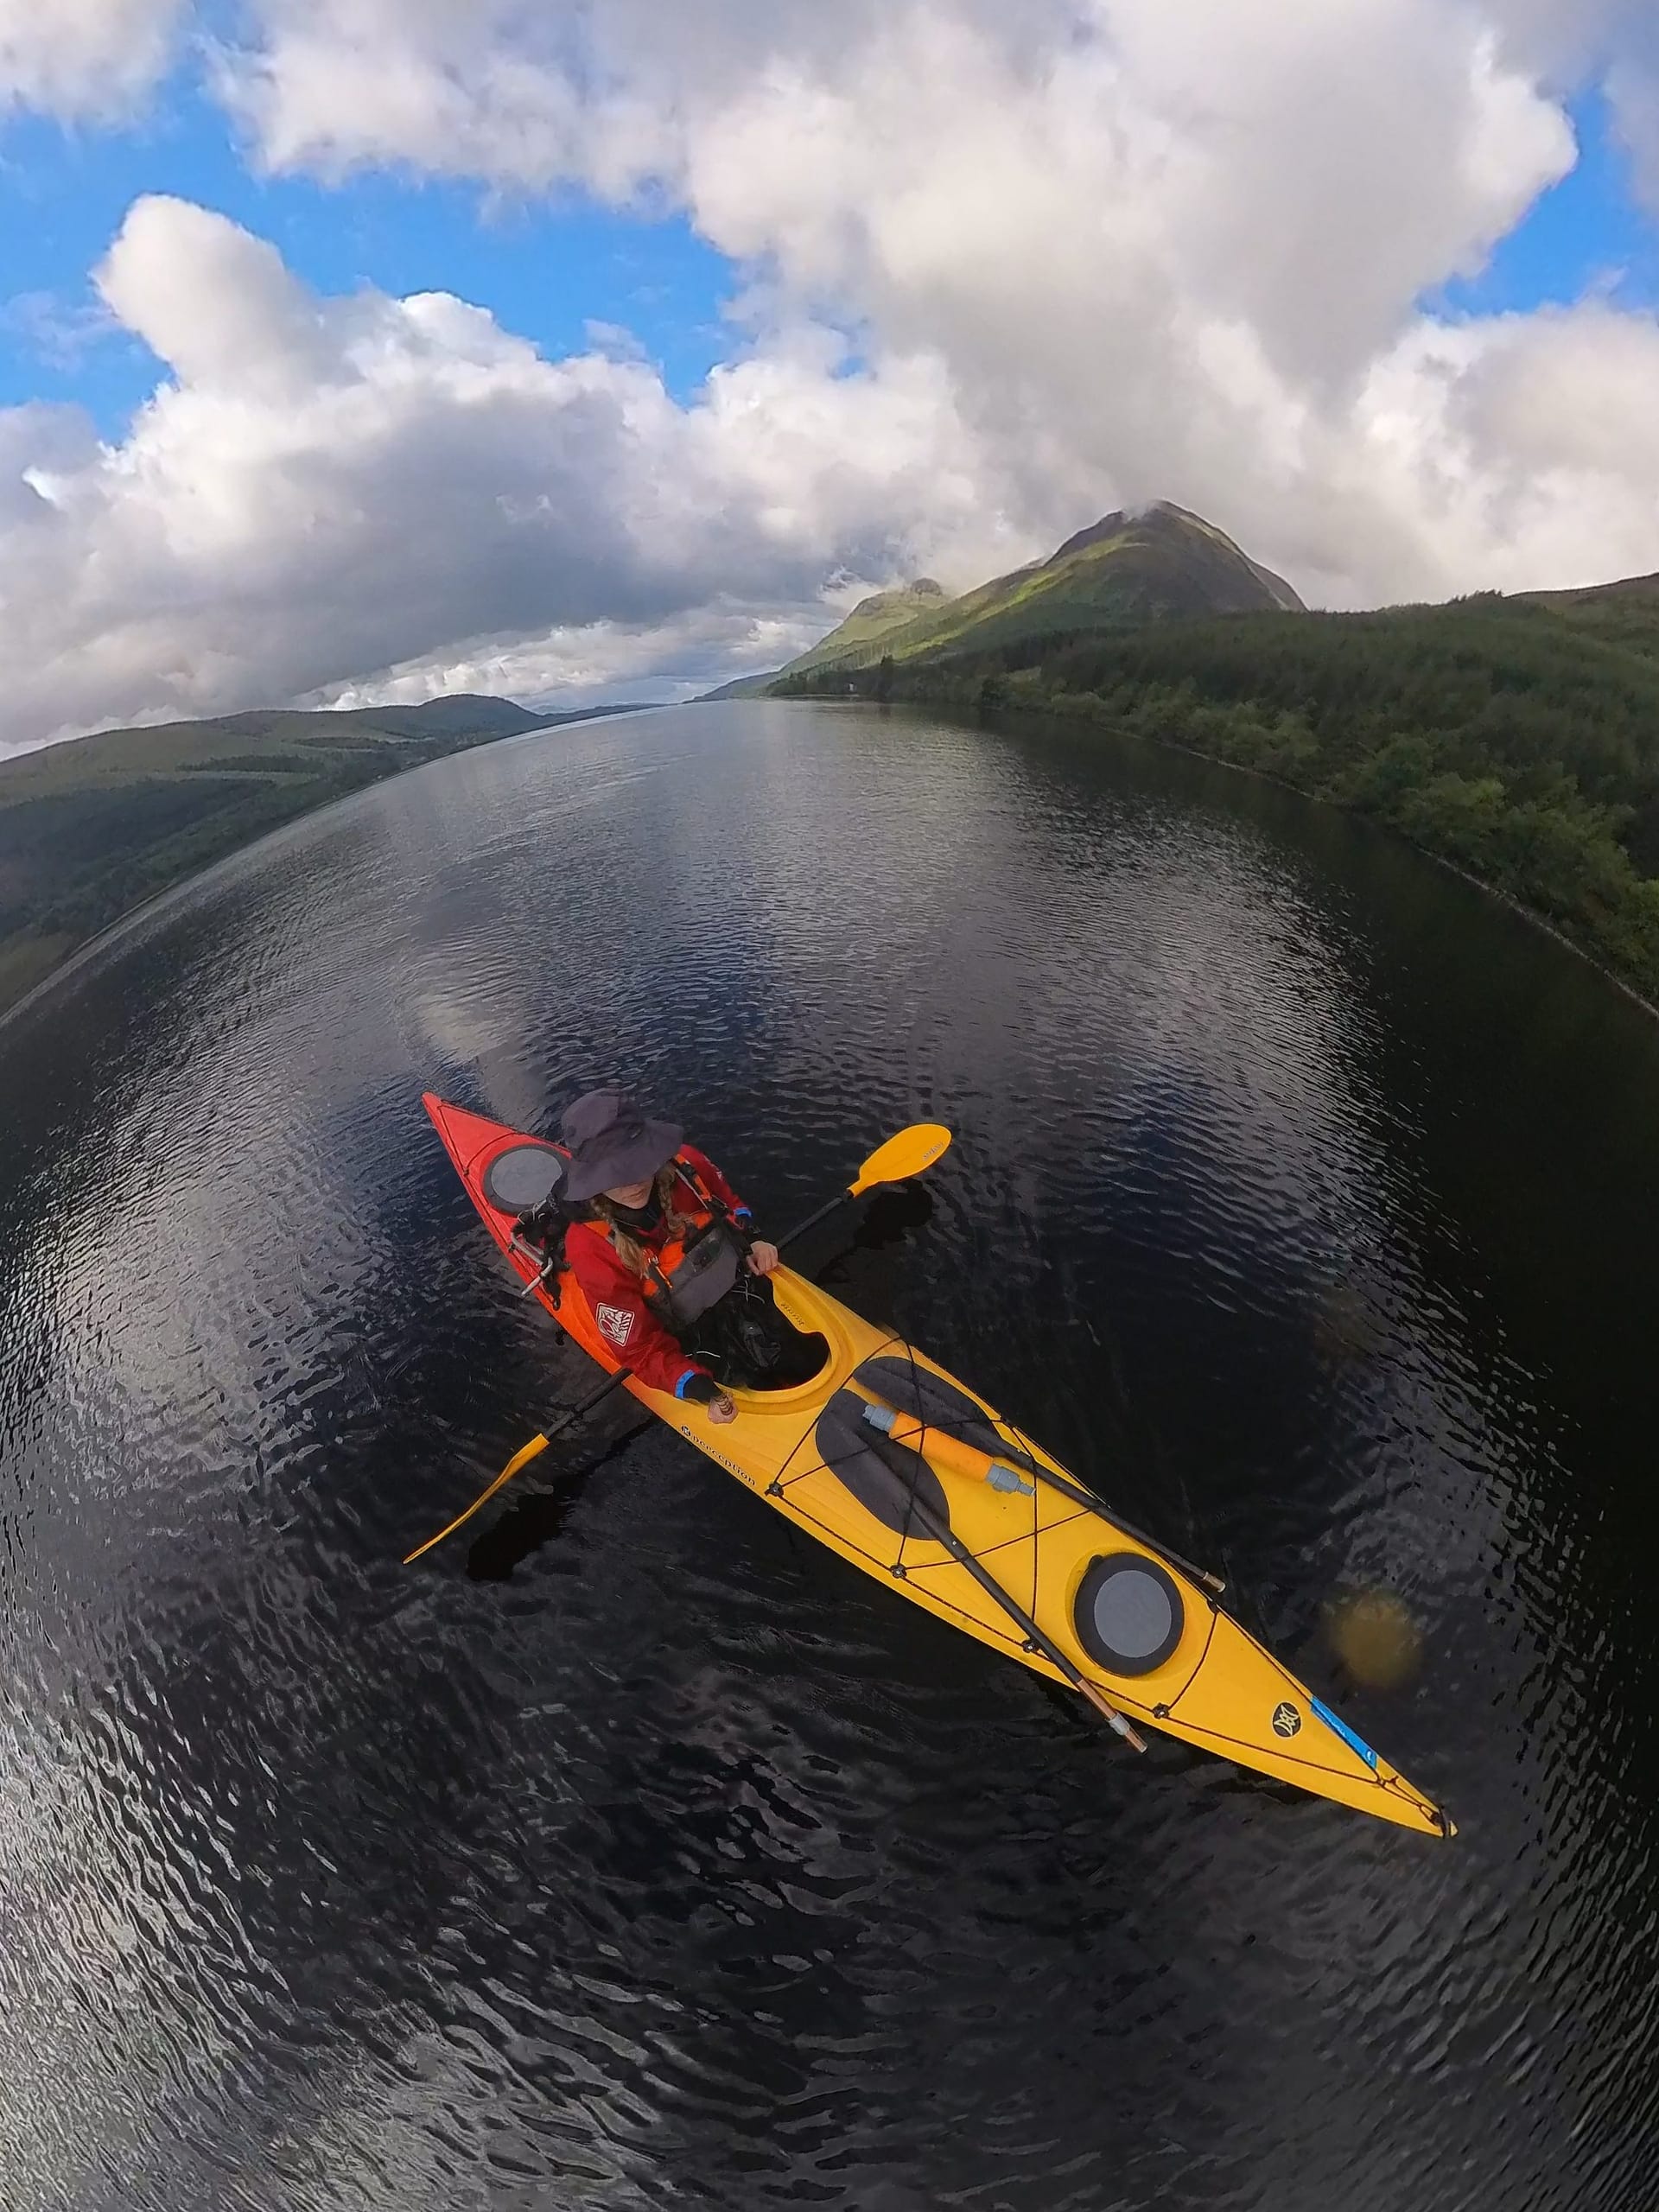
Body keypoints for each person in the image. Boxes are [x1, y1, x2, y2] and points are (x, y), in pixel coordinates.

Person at [546, 1088, 826, 1424]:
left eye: (639, 1163)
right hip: (687, 1338)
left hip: (741, 1297)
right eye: (616, 1174)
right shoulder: (589, 1246)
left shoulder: (688, 1165)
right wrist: (694, 1386)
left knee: (799, 1355)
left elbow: (730, 1203)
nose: (634, 1181)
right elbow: (639, 1348)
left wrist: (753, 1239)